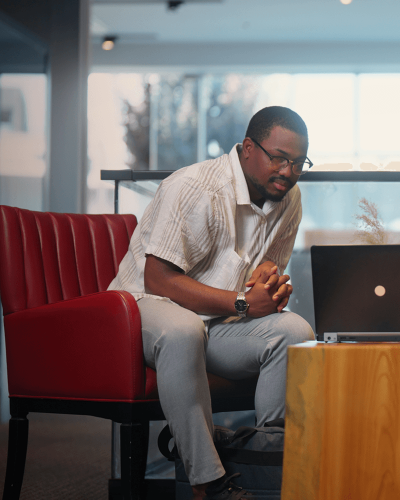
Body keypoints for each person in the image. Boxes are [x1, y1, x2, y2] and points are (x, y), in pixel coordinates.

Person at [107, 106, 316, 500]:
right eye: (278, 158)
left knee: (294, 331)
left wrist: (270, 288)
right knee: (183, 330)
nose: (288, 172)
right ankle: (206, 483)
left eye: (298, 163)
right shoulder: (193, 186)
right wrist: (244, 303)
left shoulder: (290, 199)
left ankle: (267, 465)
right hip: (143, 308)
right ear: (249, 148)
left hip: (217, 321)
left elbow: (269, 264)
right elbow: (158, 279)